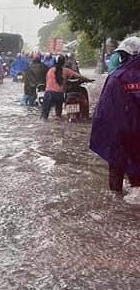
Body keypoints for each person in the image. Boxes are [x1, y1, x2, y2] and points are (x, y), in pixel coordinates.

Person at [90, 36, 140, 197]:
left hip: (120, 134)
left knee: (116, 171)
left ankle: (116, 202)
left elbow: (104, 111)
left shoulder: (116, 77)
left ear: (124, 56)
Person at [40, 54, 92, 120]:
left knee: (44, 117)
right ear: (64, 62)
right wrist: (88, 80)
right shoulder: (66, 70)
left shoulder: (50, 70)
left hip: (48, 94)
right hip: (59, 95)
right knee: (58, 116)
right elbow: (79, 76)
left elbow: (47, 80)